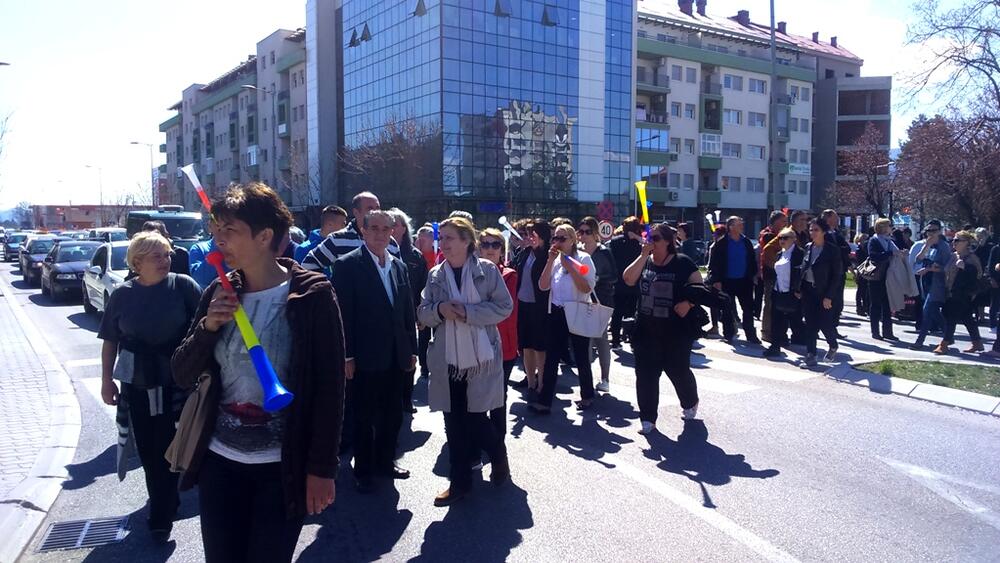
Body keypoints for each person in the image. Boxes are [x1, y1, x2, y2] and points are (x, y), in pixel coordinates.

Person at [171, 182, 346, 563]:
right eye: (216, 231)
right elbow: (182, 374)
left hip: (281, 469)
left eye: (230, 232)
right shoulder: (217, 292)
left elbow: (330, 390)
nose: (219, 242)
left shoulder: (312, 295)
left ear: (265, 236)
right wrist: (208, 328)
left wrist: (321, 469)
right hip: (219, 465)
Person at [99, 231, 201, 543]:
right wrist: (106, 381)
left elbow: (205, 329)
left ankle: (162, 509)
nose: (165, 260)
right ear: (137, 261)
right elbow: (110, 341)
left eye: (167, 254)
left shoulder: (183, 286)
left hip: (178, 381)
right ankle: (162, 505)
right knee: (148, 449)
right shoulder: (122, 295)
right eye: (156, 256)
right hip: (138, 383)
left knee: (173, 446)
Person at [417, 217, 512, 506]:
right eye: (441, 238)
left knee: (475, 420)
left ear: (467, 241)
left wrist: (469, 313)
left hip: (481, 358)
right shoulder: (435, 275)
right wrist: (441, 309)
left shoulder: (486, 270)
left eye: (450, 238)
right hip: (448, 359)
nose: (443, 243)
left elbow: (504, 307)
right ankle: (460, 483)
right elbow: (422, 314)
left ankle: (498, 455)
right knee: (453, 424)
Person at [332, 210, 417, 493]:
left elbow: (406, 312)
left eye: (386, 228)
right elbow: (343, 313)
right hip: (364, 357)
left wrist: (411, 349)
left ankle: (385, 461)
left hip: (395, 355)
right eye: (375, 228)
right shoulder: (347, 265)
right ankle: (364, 469)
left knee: (393, 414)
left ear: (393, 231)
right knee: (364, 416)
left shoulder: (398, 266)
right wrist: (347, 355)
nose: (381, 234)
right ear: (363, 231)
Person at [622, 223, 703, 434]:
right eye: (649, 238)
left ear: (668, 241)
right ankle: (648, 419)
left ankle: (690, 401)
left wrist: (689, 303)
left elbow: (699, 287)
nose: (651, 242)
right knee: (646, 375)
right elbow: (628, 279)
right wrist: (642, 256)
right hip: (646, 329)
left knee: (678, 371)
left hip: (675, 330)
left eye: (656, 239)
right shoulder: (645, 261)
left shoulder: (682, 262)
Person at [534, 224, 597, 413]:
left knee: (581, 356)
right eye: (556, 238)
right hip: (557, 312)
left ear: (572, 240)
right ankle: (545, 400)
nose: (558, 242)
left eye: (562, 239)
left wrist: (571, 266)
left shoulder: (583, 258)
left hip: (577, 310)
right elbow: (543, 286)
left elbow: (587, 288)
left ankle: (587, 395)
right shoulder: (554, 261)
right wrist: (549, 261)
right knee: (551, 357)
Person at [478, 228, 518, 463]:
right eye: (485, 244)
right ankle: (484, 440)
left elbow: (502, 311)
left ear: (502, 250)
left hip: (503, 347)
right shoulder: (468, 273)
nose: (490, 249)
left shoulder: (509, 275)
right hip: (476, 345)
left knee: (497, 397)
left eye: (495, 245)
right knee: (477, 396)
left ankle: (497, 445)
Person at [387, 208, 427, 413]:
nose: (392, 228)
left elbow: (423, 286)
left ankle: (406, 398)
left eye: (396, 224)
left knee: (410, 356)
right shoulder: (379, 251)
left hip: (409, 315)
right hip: (386, 316)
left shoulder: (415, 256)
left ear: (404, 228)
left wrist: (421, 312)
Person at [302, 191, 397, 272]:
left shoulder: (390, 242)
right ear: (356, 212)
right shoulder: (337, 240)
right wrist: (328, 289)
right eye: (370, 209)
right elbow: (309, 264)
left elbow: (398, 274)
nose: (376, 212)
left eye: (377, 208)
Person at [510, 220, 551, 392]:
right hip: (523, 304)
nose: (528, 237)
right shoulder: (524, 253)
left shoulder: (548, 255)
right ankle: (530, 382)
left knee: (539, 346)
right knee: (525, 345)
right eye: (527, 234)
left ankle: (542, 382)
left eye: (533, 234)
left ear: (542, 236)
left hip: (539, 306)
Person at [578, 216, 616, 393]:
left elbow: (614, 276)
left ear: (595, 233)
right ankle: (587, 380)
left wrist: (599, 279)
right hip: (582, 299)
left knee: (600, 340)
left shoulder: (604, 251)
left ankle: (605, 378)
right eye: (581, 232)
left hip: (601, 300)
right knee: (585, 341)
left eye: (587, 232)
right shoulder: (578, 252)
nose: (583, 236)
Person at [798, 219, 843, 367]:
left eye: (816, 230)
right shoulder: (808, 247)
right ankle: (811, 355)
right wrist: (799, 288)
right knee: (810, 324)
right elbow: (804, 268)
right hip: (809, 291)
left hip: (824, 292)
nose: (813, 233)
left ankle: (833, 345)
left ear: (823, 232)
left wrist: (829, 296)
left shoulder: (832, 250)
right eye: (811, 230)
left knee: (825, 323)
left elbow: (837, 275)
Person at [707, 216, 759, 344]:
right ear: (731, 227)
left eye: (742, 223)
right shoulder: (722, 243)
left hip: (744, 281)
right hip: (727, 281)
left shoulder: (746, 242)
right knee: (727, 309)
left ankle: (751, 335)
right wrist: (716, 280)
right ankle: (729, 334)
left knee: (747, 309)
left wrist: (753, 275)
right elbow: (714, 264)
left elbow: (752, 261)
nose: (742, 226)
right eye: (739, 224)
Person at [933, 231, 985, 354]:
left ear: (966, 243)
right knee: (967, 318)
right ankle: (977, 342)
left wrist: (966, 267)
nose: (954, 242)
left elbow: (978, 274)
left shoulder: (972, 258)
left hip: (963, 294)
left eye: (957, 240)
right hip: (951, 292)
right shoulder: (954, 256)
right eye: (954, 240)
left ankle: (944, 344)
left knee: (951, 318)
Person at [764, 228, 805, 359]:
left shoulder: (799, 254)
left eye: (785, 238)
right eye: (780, 237)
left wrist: (799, 289)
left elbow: (802, 273)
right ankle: (775, 346)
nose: (782, 240)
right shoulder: (779, 254)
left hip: (792, 292)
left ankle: (809, 346)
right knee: (776, 320)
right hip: (778, 291)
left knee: (796, 320)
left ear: (794, 239)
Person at [910, 222, 952, 349]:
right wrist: (926, 246)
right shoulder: (928, 245)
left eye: (933, 231)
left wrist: (929, 270)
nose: (930, 233)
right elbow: (918, 259)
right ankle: (948, 336)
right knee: (933, 312)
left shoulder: (943, 247)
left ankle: (919, 341)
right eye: (928, 231)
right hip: (926, 282)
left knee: (927, 311)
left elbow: (947, 268)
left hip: (937, 283)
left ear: (939, 231)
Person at [608, 216, 643, 348]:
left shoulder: (615, 241)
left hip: (619, 281)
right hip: (635, 281)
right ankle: (630, 335)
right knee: (633, 310)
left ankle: (616, 339)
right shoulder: (639, 243)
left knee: (617, 311)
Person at [867, 218, 901, 341]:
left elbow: (896, 252)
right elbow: (873, 256)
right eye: (889, 225)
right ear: (882, 227)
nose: (891, 228)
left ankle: (888, 332)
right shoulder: (874, 240)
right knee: (875, 304)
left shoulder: (890, 241)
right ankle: (875, 332)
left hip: (889, 277)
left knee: (887, 305)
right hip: (876, 277)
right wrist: (889, 254)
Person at [758, 211, 788, 342]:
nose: (786, 224)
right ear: (775, 222)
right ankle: (766, 331)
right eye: (783, 221)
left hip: (782, 275)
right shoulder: (768, 235)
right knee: (769, 303)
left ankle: (778, 331)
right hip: (770, 274)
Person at [822, 209, 851, 334]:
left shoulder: (837, 233)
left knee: (838, 303)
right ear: (828, 218)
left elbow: (847, 248)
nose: (838, 219)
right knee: (830, 301)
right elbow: (834, 250)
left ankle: (833, 327)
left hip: (840, 270)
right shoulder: (823, 233)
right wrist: (840, 249)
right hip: (830, 273)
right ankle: (826, 328)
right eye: (835, 217)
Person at [853, 232, 870, 317]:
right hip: (861, 270)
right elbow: (860, 261)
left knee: (865, 290)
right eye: (864, 238)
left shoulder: (866, 248)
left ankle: (865, 307)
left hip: (867, 270)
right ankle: (859, 307)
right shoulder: (859, 249)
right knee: (861, 290)